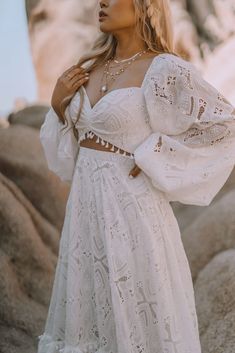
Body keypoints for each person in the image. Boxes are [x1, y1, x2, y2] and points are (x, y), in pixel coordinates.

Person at [37, 1, 235, 352]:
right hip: (85, 216)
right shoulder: (86, 68)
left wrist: (157, 154)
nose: (102, 2)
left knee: (140, 321)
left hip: (135, 215)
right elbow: (65, 158)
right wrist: (58, 105)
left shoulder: (163, 68)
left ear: (144, 5)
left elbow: (225, 126)